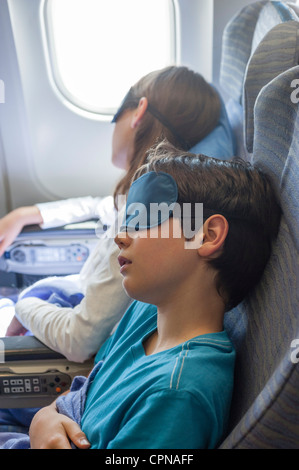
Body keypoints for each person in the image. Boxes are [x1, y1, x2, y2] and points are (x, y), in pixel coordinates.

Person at [0, 141, 281, 449]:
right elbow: (93, 387)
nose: (121, 237)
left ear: (207, 235)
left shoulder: (174, 393)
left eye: (144, 218)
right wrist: (47, 415)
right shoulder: (146, 311)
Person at [0, 65, 236, 363]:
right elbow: (101, 206)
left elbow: (79, 338)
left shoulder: (140, 224)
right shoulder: (151, 192)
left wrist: (24, 305)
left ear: (139, 111)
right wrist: (26, 214)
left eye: (115, 117)